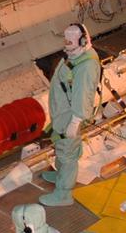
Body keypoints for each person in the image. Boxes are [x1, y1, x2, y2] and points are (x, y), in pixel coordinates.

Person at [40, 23, 101, 207]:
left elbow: (83, 96)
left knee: (68, 153)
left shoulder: (86, 66)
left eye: (70, 43)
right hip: (62, 113)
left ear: (83, 41)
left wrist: (75, 122)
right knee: (61, 146)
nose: (67, 47)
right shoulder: (76, 55)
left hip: (70, 116)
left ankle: (63, 193)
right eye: (65, 42)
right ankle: (61, 175)